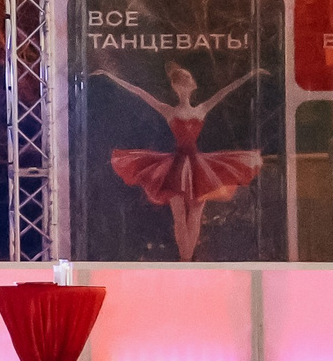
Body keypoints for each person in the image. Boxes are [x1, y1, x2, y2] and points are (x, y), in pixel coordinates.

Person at [94, 62, 268, 260]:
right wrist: (110, 75)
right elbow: (140, 93)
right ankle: (184, 259)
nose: (185, 85)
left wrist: (251, 74)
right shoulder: (169, 110)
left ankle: (188, 260)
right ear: (176, 87)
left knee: (195, 215)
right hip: (176, 167)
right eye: (181, 82)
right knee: (180, 216)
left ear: (192, 86)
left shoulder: (202, 108)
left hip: (197, 166)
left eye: (187, 81)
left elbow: (226, 91)